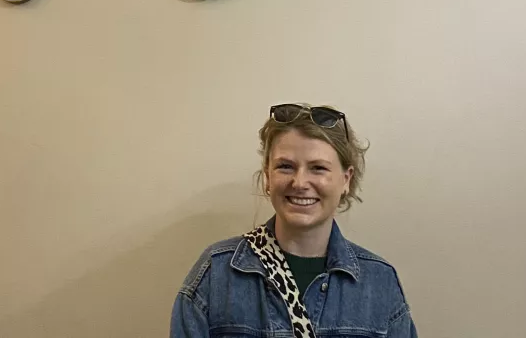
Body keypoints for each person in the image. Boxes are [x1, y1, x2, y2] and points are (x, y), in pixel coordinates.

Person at [171, 104, 417, 338]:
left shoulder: (379, 282)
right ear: (268, 176)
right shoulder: (216, 274)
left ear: (346, 179)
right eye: (285, 166)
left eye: (318, 168)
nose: (299, 183)